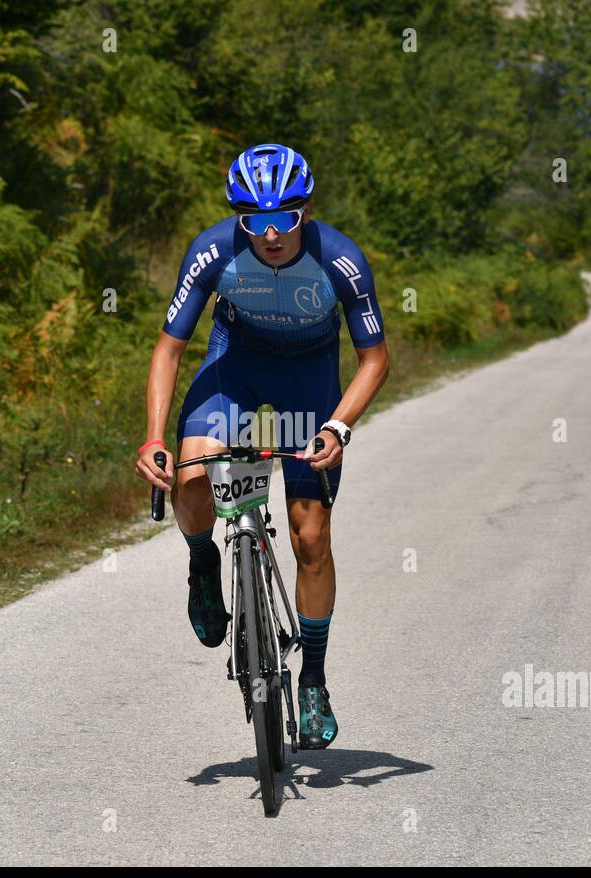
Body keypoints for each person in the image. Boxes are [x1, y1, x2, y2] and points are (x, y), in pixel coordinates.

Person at [135, 143, 390, 749]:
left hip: (309, 377)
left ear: (306, 211)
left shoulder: (342, 261)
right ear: (237, 217)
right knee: (192, 479)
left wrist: (339, 426)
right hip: (236, 368)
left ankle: (315, 682)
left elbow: (374, 359)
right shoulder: (211, 252)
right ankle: (204, 566)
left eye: (285, 218)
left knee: (310, 536)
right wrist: (152, 437)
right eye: (254, 220)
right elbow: (169, 349)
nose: (271, 234)